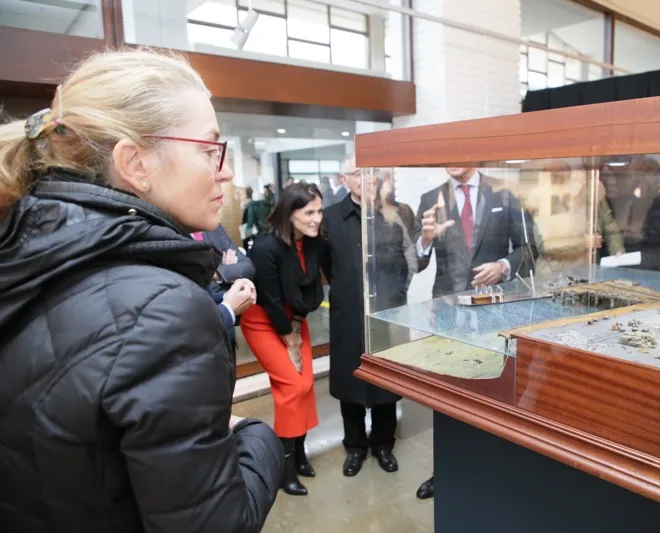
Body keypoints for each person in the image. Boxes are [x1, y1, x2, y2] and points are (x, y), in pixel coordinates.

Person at [0, 50, 282, 533]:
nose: (227, 171)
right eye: (209, 148)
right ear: (135, 163)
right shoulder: (165, 309)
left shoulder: (24, 254)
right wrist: (256, 438)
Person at [413, 167, 536, 500]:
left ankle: (495, 467)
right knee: (448, 391)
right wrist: (425, 240)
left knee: (495, 388)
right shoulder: (431, 198)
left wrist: (503, 267)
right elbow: (417, 261)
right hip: (448, 312)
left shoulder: (504, 192)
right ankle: (446, 470)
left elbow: (530, 247)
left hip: (495, 312)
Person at [321, 156, 412, 478]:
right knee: (351, 379)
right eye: (358, 173)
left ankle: (384, 444)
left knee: (386, 379)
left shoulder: (395, 214)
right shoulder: (329, 218)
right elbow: (324, 267)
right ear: (345, 180)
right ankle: (355, 446)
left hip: (388, 312)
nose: (366, 178)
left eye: (371, 172)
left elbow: (410, 262)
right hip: (348, 313)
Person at [241, 182, 325, 496]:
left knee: (305, 384)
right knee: (293, 386)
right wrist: (289, 339)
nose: (317, 218)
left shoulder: (313, 242)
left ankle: (300, 455)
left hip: (294, 317)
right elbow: (271, 300)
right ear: (290, 214)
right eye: (309, 212)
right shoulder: (266, 246)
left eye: (319, 211)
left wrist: (297, 323)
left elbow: (312, 290)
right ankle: (283, 469)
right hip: (265, 320)